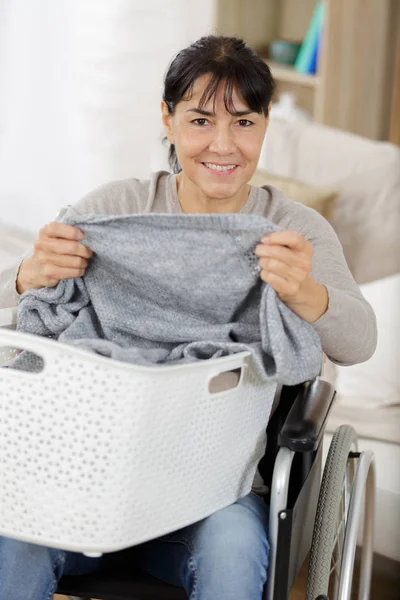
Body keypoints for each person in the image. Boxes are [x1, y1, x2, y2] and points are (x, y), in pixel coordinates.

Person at [0, 35, 377, 600]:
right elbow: (24, 295)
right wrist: (28, 273)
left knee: (235, 551)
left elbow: (360, 341)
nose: (222, 145)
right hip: (88, 473)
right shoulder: (116, 210)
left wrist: (307, 293)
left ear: (266, 124)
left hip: (213, 489)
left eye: (244, 123)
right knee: (12, 540)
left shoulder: (292, 228)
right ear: (168, 120)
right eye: (200, 120)